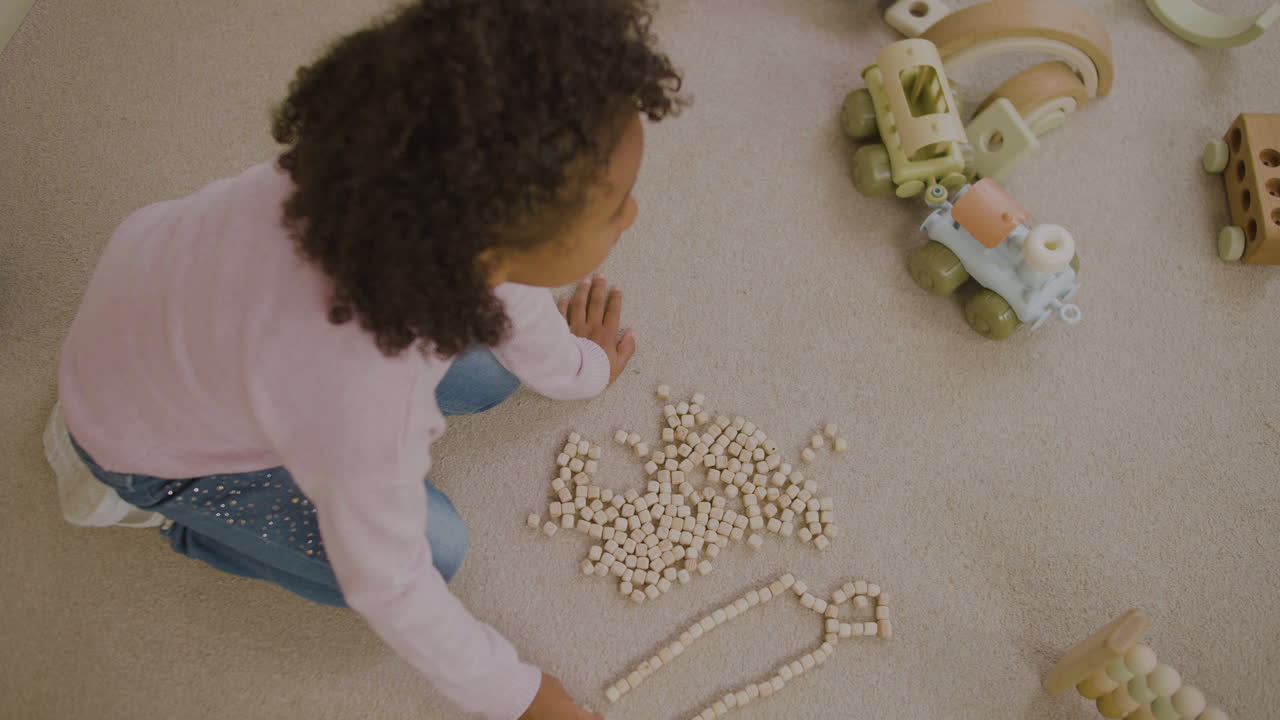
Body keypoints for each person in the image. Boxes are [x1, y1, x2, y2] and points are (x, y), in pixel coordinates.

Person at [51, 1, 683, 717]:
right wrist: (527, 698)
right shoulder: (363, 390)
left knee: (495, 371)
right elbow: (389, 585)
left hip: (167, 325)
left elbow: (509, 291)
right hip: (151, 448)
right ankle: (155, 511)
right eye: (614, 208)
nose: (632, 217)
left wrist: (583, 369)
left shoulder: (371, 170)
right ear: (488, 251)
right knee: (435, 550)